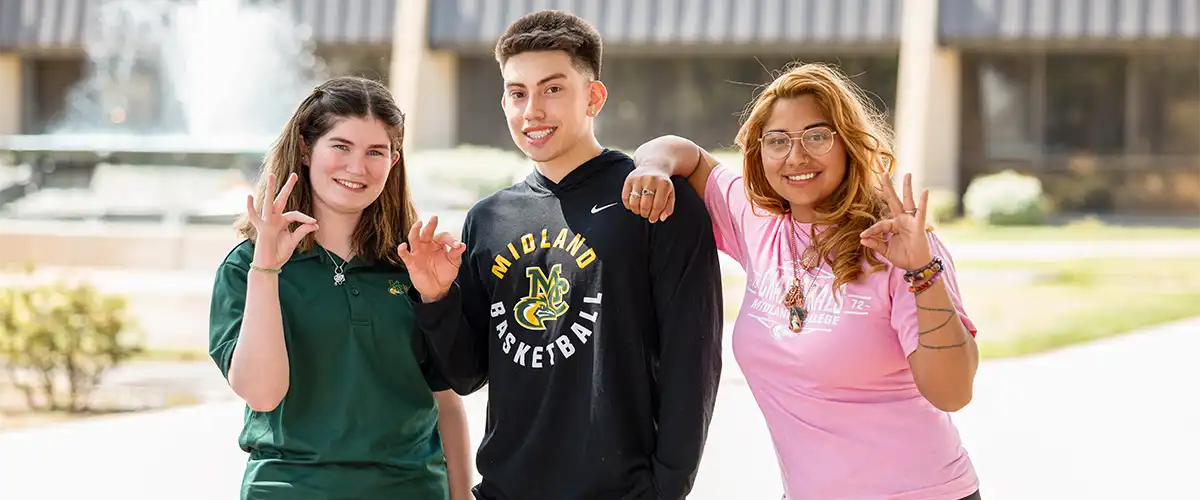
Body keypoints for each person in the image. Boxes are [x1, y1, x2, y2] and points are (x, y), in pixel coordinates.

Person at [395, 10, 724, 500]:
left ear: (593, 97)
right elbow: (465, 375)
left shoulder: (654, 198)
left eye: (552, 89)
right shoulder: (489, 219)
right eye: (518, 92)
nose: (532, 111)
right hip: (506, 489)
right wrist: (436, 295)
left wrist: (667, 488)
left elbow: (693, 360)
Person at [623, 63, 983, 500]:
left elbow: (952, 391)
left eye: (817, 136)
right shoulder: (759, 225)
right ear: (759, 153)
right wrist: (655, 168)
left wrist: (923, 274)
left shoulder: (897, 245)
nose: (796, 156)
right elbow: (683, 152)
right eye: (777, 141)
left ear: (848, 143)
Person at [207, 76, 472, 500]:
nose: (357, 168)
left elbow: (447, 400)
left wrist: (461, 495)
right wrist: (267, 270)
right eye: (341, 146)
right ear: (307, 149)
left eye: (375, 152)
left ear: (394, 160)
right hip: (289, 489)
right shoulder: (245, 268)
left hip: (411, 489)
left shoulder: (414, 264)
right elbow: (262, 392)